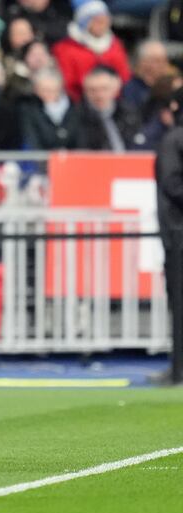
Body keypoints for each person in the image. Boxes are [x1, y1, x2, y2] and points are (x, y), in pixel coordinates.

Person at [154, 86, 183, 385]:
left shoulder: (173, 139)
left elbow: (171, 185)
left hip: (178, 233)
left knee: (179, 303)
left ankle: (179, 371)